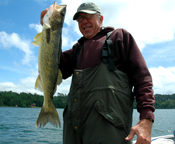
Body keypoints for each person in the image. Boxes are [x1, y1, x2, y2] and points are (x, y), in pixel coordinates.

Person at [40, 2, 155, 144]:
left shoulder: (119, 37)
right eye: (80, 19)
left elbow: (142, 79)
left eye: (88, 16)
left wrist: (146, 118)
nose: (84, 21)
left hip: (107, 132)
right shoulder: (77, 49)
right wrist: (48, 33)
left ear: (100, 19)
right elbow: (52, 66)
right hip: (74, 131)